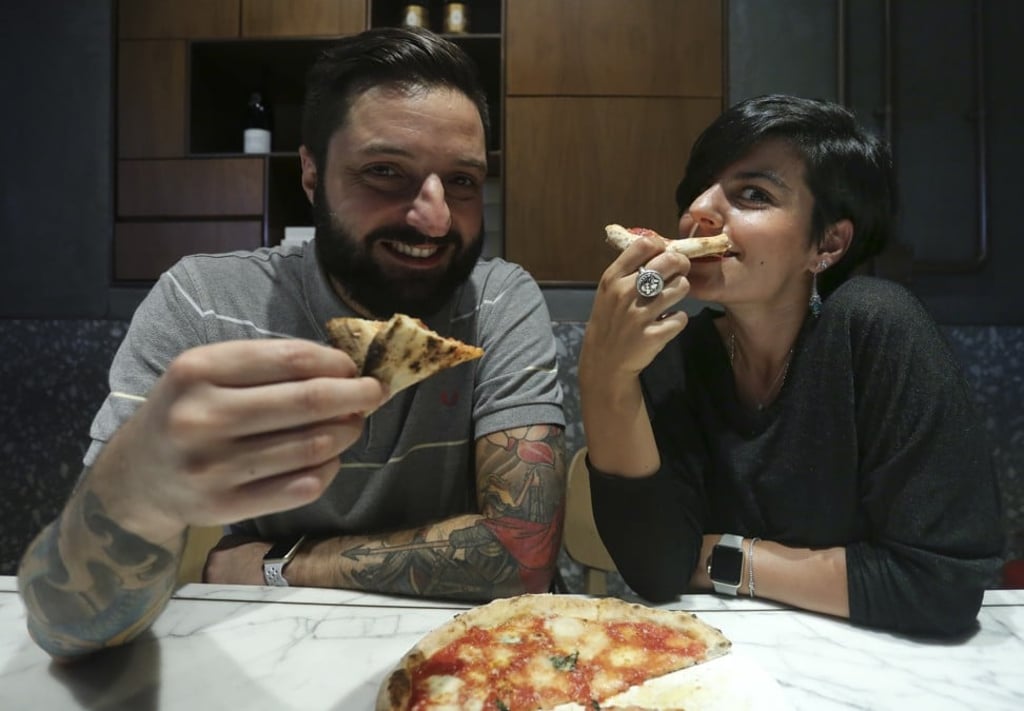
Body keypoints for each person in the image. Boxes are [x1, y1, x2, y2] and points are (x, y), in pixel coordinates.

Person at [18, 27, 565, 660]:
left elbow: (523, 555)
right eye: (385, 172)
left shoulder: (496, 301)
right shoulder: (205, 304)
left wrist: (277, 563)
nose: (436, 217)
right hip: (269, 651)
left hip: (468, 660)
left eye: (463, 180)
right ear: (311, 173)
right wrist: (136, 485)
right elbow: (67, 631)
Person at [579, 94, 1003, 637]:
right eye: (700, 188)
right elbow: (658, 570)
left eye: (753, 194)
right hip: (730, 660)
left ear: (827, 243)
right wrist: (605, 376)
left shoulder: (874, 326)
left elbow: (942, 585)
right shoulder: (676, 353)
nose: (699, 209)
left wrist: (725, 557)